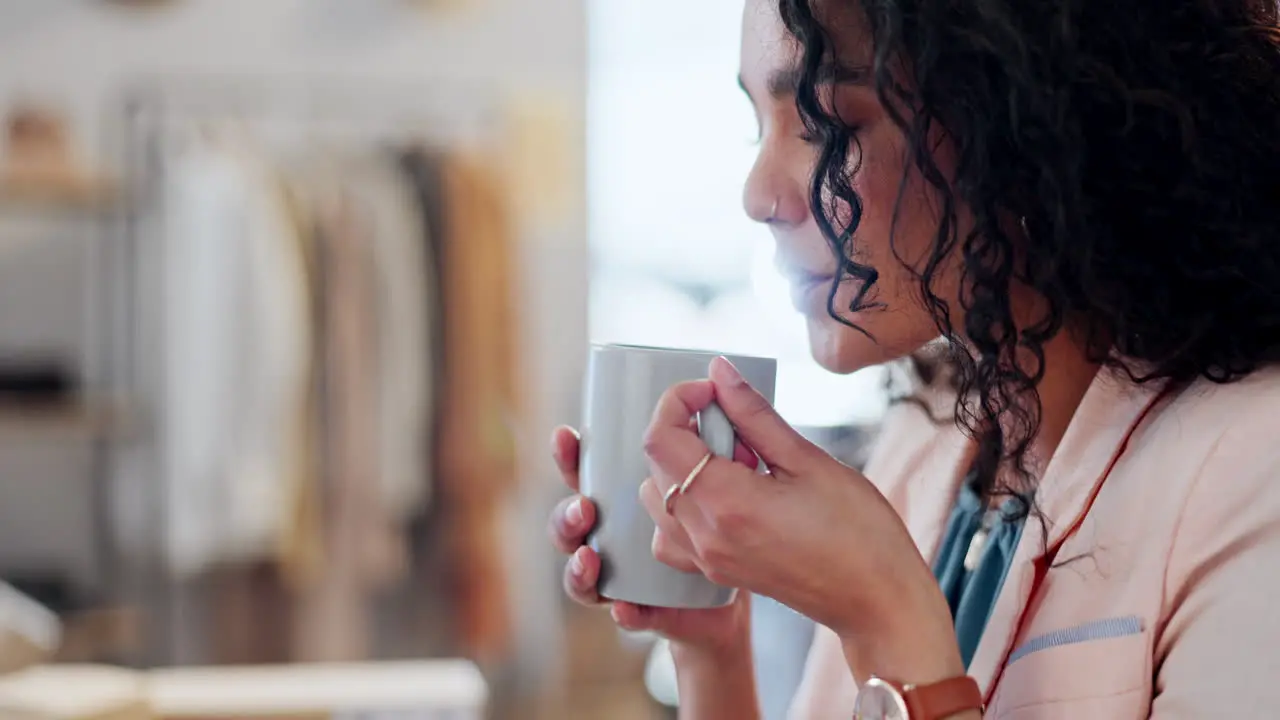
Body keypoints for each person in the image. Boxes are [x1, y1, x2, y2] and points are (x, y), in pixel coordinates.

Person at [549, 0, 1280, 716]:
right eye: (757, 129)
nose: (758, 195)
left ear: (1019, 118)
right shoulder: (925, 441)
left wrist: (883, 619)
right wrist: (710, 648)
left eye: (823, 124)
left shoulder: (1254, 478)